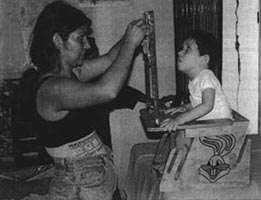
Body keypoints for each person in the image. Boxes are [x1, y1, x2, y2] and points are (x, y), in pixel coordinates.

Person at [17, 1, 147, 200]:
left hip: (88, 176)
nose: (87, 45)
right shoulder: (53, 89)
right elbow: (108, 91)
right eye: (80, 38)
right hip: (80, 182)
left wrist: (132, 32)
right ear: (58, 41)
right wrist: (130, 43)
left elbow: (111, 59)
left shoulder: (71, 74)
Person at [158, 30, 231, 172]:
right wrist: (185, 108)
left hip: (220, 126)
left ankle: (182, 171)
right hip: (210, 124)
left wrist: (180, 119)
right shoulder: (195, 80)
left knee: (181, 134)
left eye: (187, 49)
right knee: (174, 133)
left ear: (203, 59)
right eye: (182, 48)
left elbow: (207, 105)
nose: (180, 52)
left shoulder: (206, 76)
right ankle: (175, 165)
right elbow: (199, 103)